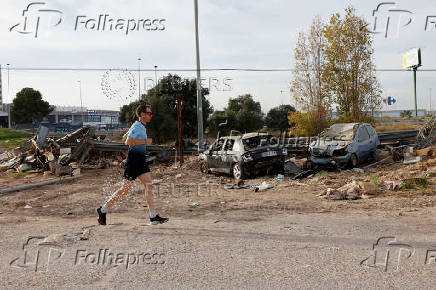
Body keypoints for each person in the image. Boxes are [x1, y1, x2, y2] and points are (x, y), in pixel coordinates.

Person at [96, 104, 168, 226]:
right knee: (124, 190)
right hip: (134, 161)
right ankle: (102, 210)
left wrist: (137, 144)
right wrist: (145, 142)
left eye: (151, 113)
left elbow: (124, 138)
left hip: (140, 160)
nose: (151, 115)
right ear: (142, 114)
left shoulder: (138, 125)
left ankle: (153, 216)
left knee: (148, 186)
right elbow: (128, 141)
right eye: (149, 113)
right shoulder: (138, 126)